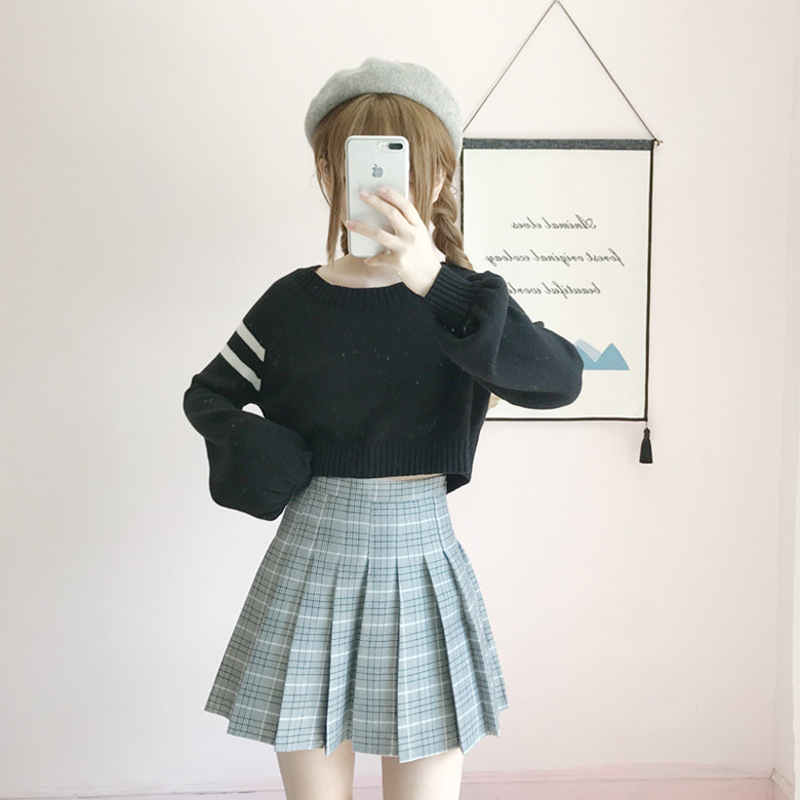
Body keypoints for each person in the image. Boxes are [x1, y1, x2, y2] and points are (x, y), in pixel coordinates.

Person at [183, 57, 583, 800]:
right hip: (310, 562)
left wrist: (437, 283)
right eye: (354, 166)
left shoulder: (466, 304)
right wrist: (268, 453)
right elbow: (209, 395)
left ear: (438, 177)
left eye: (400, 165)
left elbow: (560, 381)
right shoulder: (291, 304)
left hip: (422, 562)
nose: (375, 187)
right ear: (327, 174)